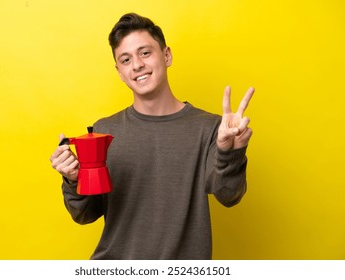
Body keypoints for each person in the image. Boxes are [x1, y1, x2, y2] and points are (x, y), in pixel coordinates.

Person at [50, 13, 255, 260]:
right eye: (126, 59)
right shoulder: (104, 132)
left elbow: (228, 195)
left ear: (166, 55)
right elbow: (84, 214)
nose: (136, 65)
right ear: (120, 72)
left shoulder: (210, 128)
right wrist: (73, 180)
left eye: (145, 53)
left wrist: (229, 151)